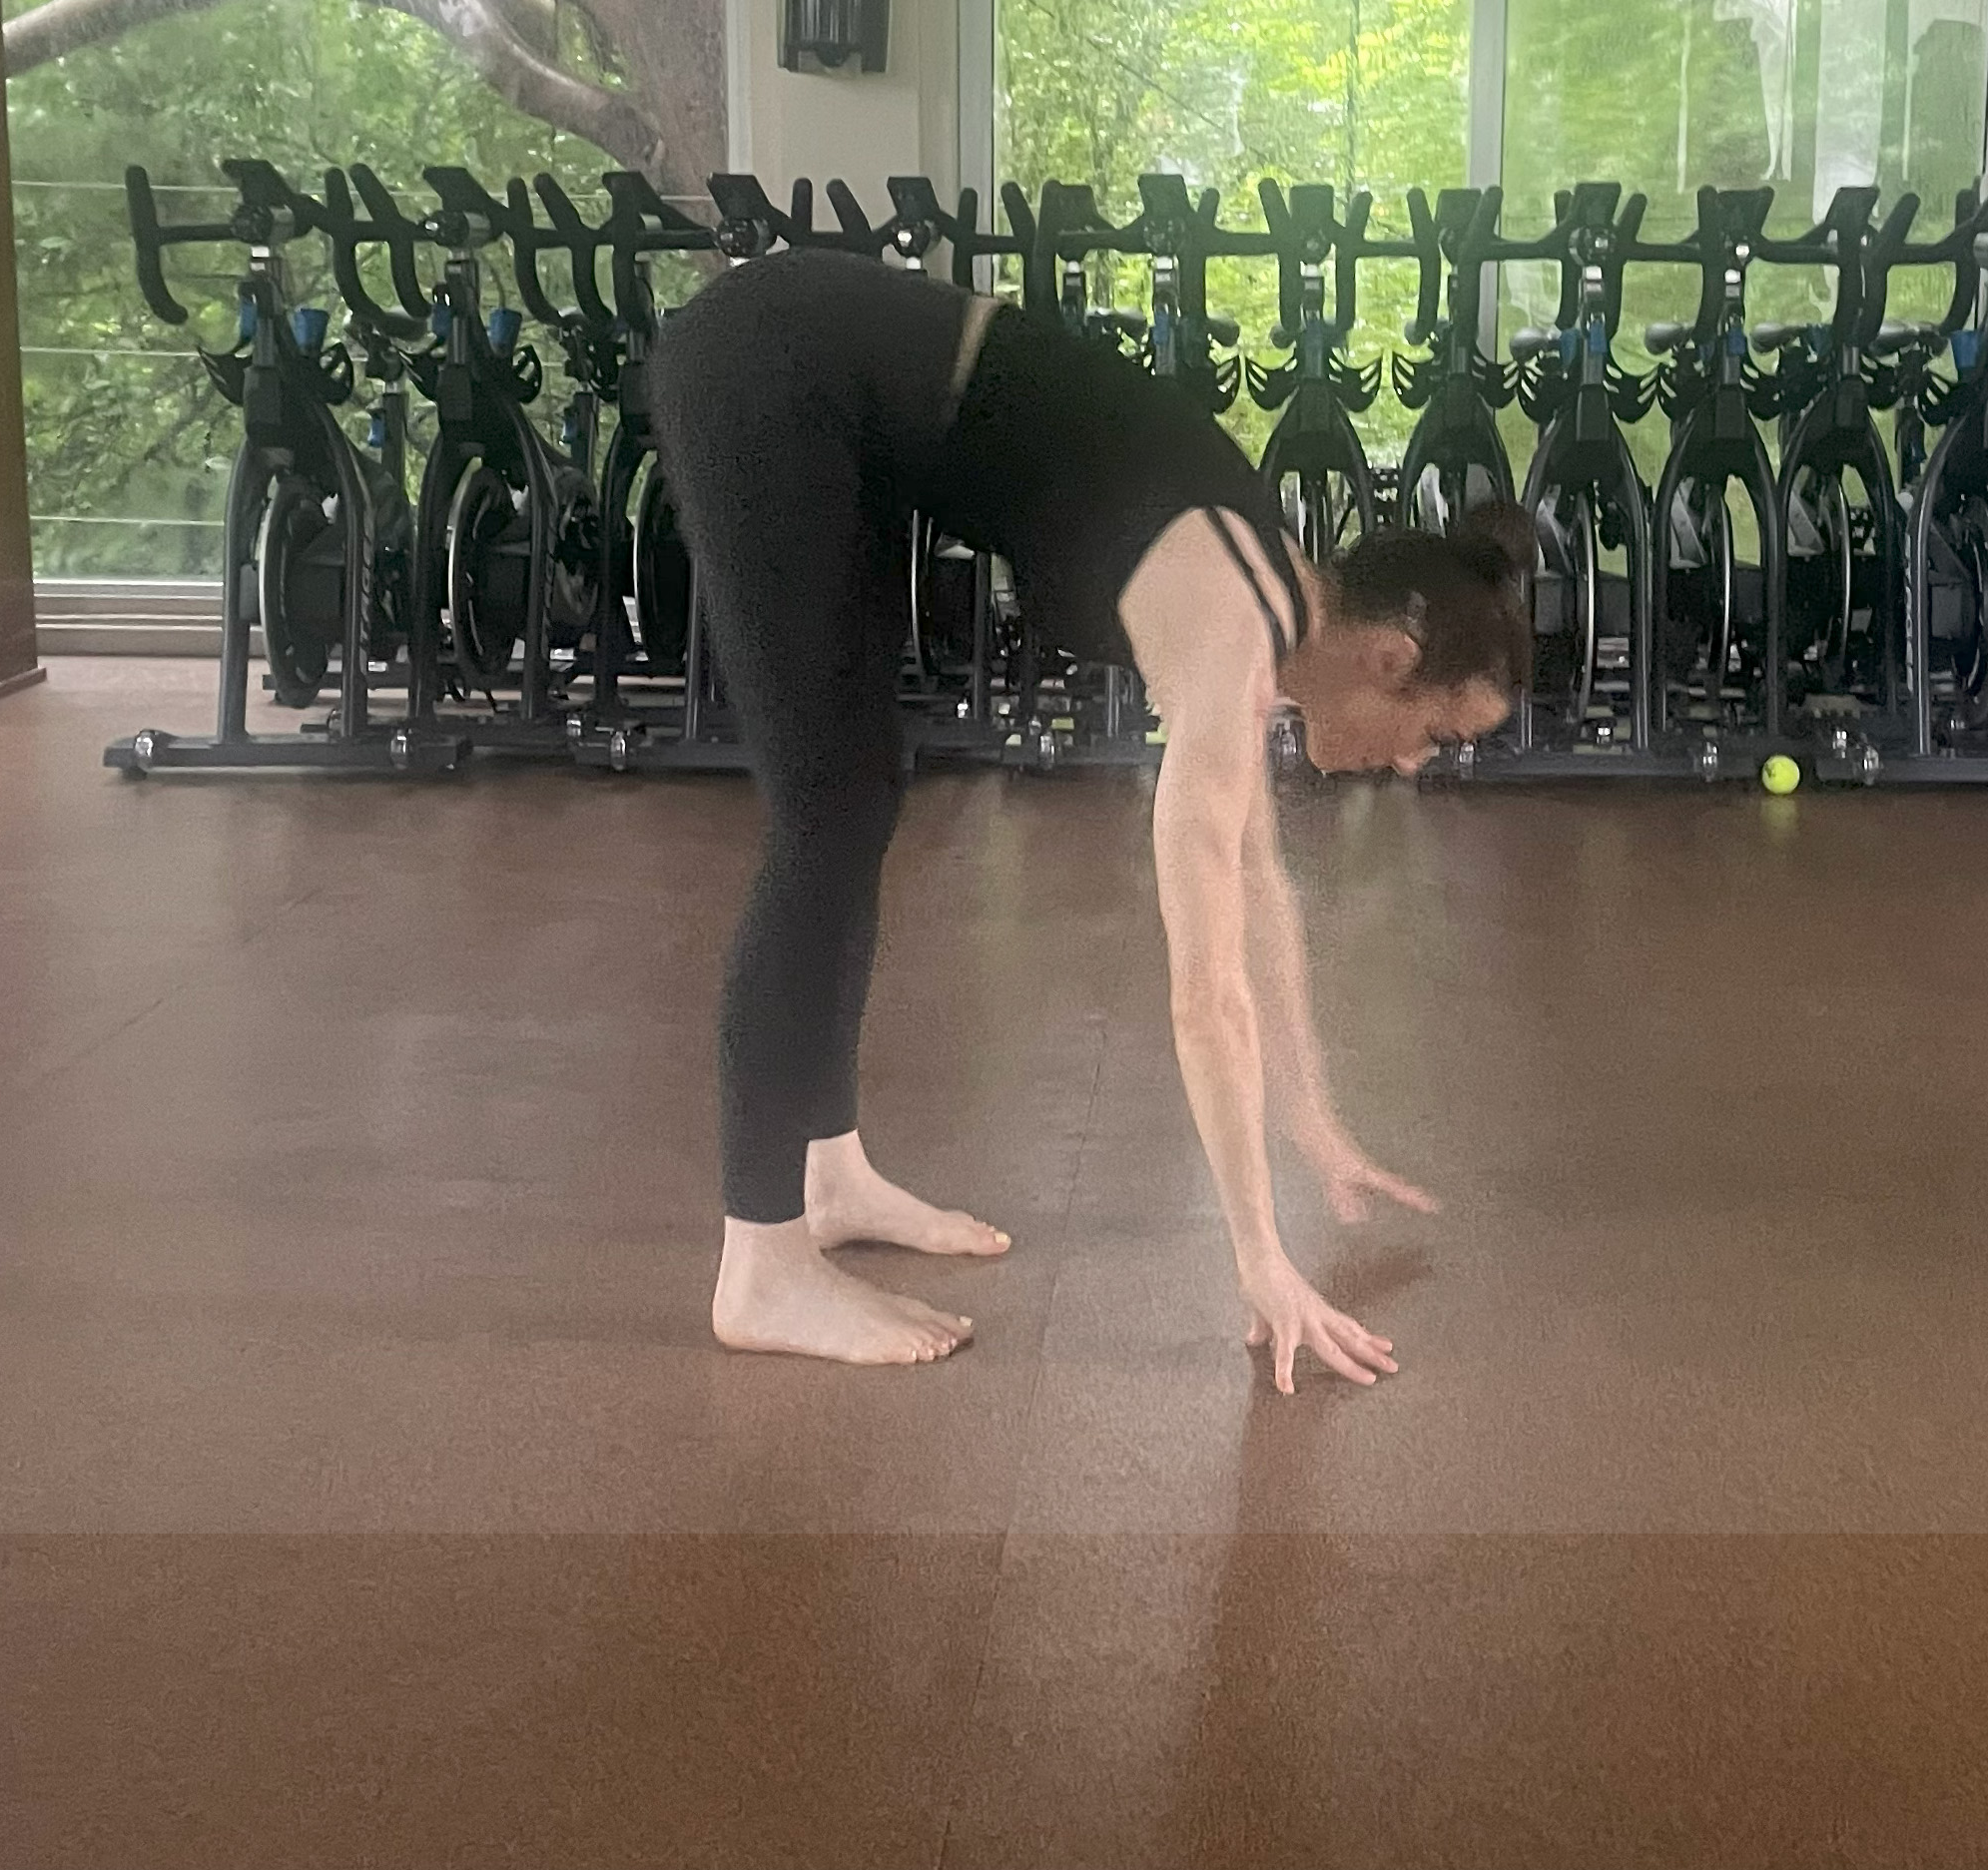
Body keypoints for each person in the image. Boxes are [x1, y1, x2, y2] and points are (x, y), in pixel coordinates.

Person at [648, 247, 1532, 1390]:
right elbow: (1203, 994)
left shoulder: (1266, 586)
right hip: (769, 363)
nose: (1414, 766)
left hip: (830, 386)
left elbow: (1264, 888)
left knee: (857, 788)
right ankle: (761, 1266)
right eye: (1434, 734)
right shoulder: (1230, 623)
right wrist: (1261, 1258)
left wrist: (1309, 1111)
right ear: (1390, 658)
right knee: (824, 809)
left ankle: (826, 1173)